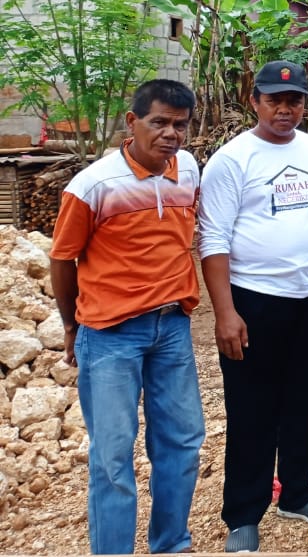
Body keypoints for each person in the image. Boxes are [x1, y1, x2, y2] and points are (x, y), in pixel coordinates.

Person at [49, 80, 204, 555]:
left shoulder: (189, 170)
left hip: (171, 327)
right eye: (159, 122)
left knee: (181, 443)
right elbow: (62, 258)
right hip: (111, 334)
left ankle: (171, 544)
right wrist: (73, 327)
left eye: (180, 124)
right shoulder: (94, 184)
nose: (171, 133)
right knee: (113, 458)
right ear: (132, 122)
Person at [199, 60, 308, 552]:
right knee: (252, 407)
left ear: (305, 103)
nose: (285, 109)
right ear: (255, 102)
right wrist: (225, 312)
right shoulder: (232, 159)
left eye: (294, 101)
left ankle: (299, 494)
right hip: (254, 299)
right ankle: (243, 512)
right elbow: (213, 238)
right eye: (274, 100)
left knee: (303, 401)